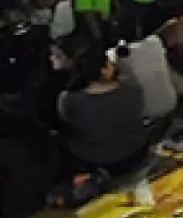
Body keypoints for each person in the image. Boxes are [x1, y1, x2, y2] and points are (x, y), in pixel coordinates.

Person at [56, 47, 150, 176]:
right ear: (103, 69)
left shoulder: (68, 99)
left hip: (100, 161)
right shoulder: (131, 87)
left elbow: (64, 119)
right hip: (138, 151)